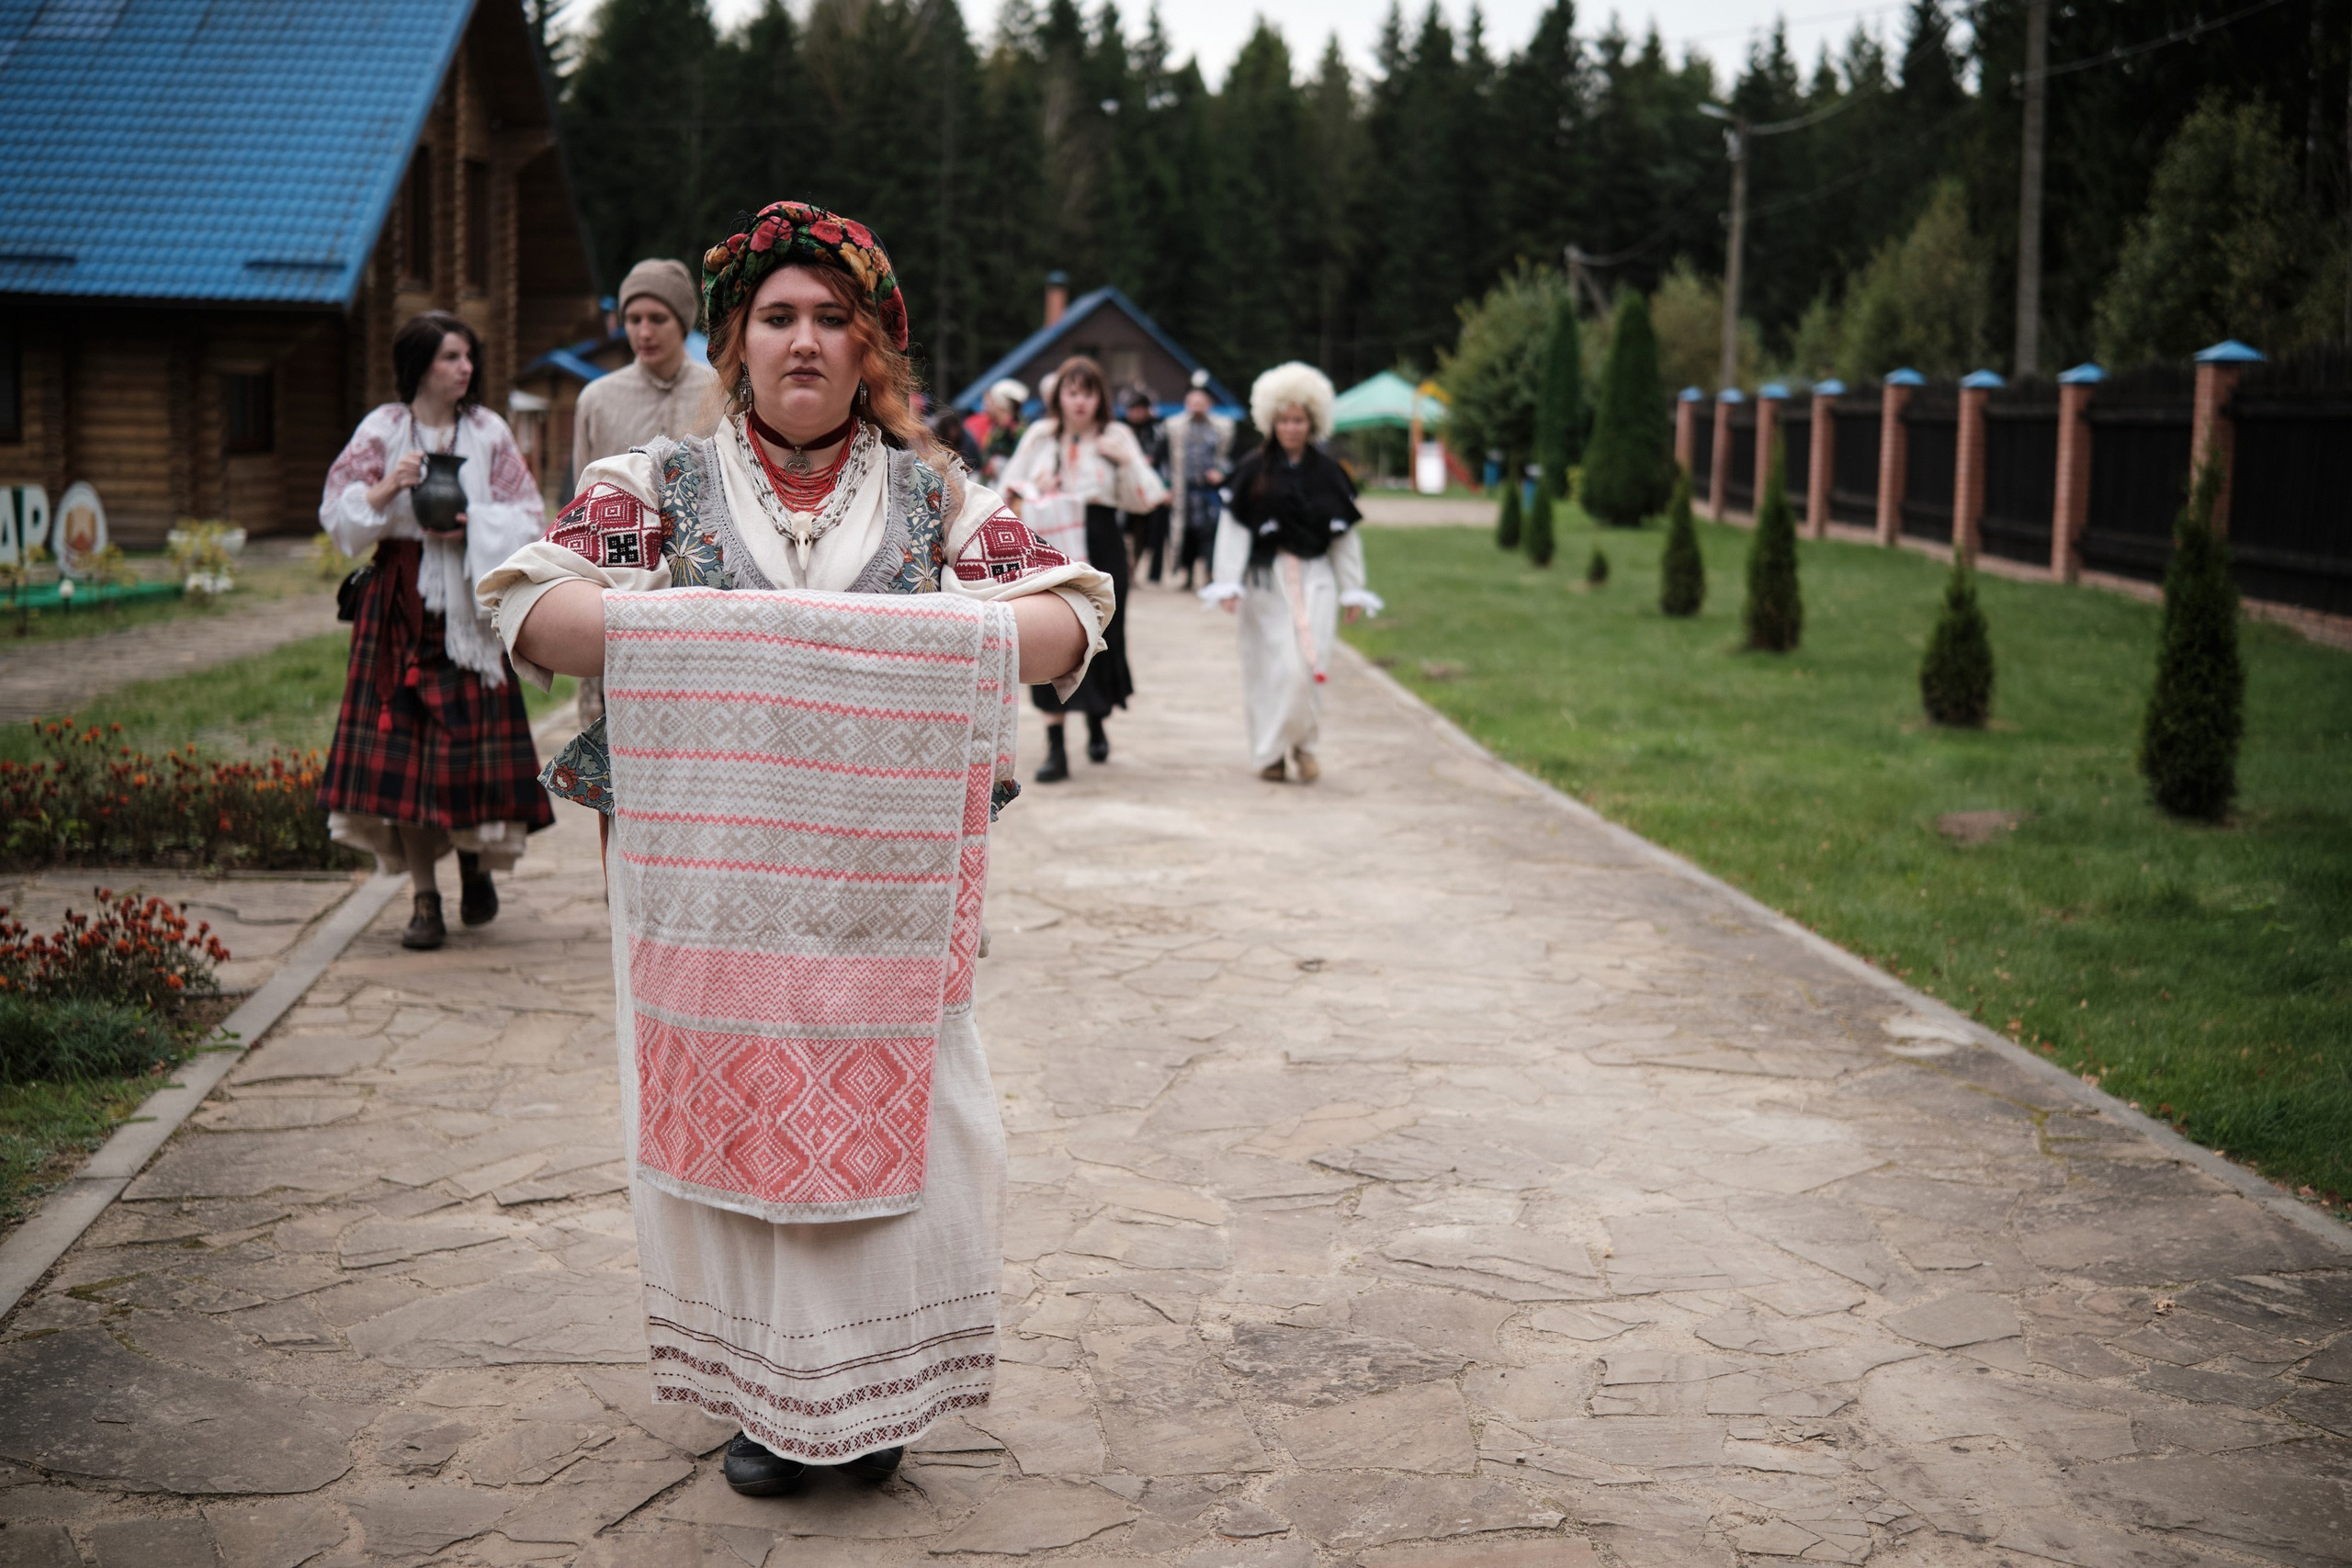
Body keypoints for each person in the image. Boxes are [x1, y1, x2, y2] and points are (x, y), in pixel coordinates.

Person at [479, 199, 1111, 1499]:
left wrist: (936, 635)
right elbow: (537, 608)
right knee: (750, 1125)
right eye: (779, 317)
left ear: (871, 342)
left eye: (835, 317)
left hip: (889, 901)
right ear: (735, 343)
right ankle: (771, 1397)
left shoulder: (939, 498)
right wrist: (728, 629)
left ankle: (876, 1396)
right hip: (717, 898)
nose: (806, 340)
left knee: (928, 1132)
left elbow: (1069, 619)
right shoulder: (655, 486)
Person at [318, 312, 552, 951]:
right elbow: (337, 512)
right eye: (453, 356)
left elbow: (530, 513)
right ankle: (425, 898)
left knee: (466, 755)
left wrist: (471, 522)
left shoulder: (489, 432)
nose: (466, 367)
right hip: (399, 609)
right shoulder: (384, 429)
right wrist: (388, 486)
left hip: (470, 609)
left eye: (469, 356)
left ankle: (474, 868)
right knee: (410, 765)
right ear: (422, 364)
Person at [1201, 362, 1382, 783]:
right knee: (1268, 668)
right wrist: (1227, 580)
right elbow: (1234, 528)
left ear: (1312, 421)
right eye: (1283, 420)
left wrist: (1353, 589)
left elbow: (1344, 537)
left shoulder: (1330, 474)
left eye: (1298, 420)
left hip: (1316, 577)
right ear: (1271, 421)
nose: (1291, 428)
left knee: (1305, 665)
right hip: (1265, 582)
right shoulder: (1252, 469)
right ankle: (1270, 754)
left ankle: (1304, 744)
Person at [568, 259, 722, 728]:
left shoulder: (723, 392)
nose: (644, 331)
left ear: (682, 322)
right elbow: (583, 503)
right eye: (634, 319)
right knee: (614, 739)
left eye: (658, 319)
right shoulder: (596, 398)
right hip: (619, 580)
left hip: (704, 581)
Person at [1000, 355, 1166, 782]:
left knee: (1103, 636)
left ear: (1099, 397)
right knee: (1050, 637)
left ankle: (1096, 719)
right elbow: (1006, 492)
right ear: (1059, 396)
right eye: (1072, 391)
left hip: (1102, 540)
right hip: (1051, 540)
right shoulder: (1040, 435)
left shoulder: (1117, 436)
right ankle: (1056, 747)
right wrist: (1037, 488)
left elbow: (1149, 497)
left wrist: (1126, 462)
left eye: (1087, 392)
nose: (1079, 401)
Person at [1168, 372, 1234, 591]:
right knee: (1186, 534)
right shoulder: (1174, 427)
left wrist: (1221, 472)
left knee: (1210, 533)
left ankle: (1209, 574)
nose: (1197, 405)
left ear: (1209, 403)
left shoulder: (1223, 427)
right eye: (1193, 401)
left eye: (1201, 401)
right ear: (1187, 403)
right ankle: (1186, 576)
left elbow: (1229, 459)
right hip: (1184, 491)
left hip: (1209, 492)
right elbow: (1165, 461)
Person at [1118, 387, 1172, 584]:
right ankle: (1125, 568)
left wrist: (1166, 487)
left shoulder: (1158, 431)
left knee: (1144, 532)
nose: (1137, 413)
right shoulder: (1119, 429)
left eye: (1141, 409)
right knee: (1122, 530)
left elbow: (1165, 462)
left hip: (1149, 489)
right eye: (1133, 409)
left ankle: (1135, 568)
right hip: (1123, 488)